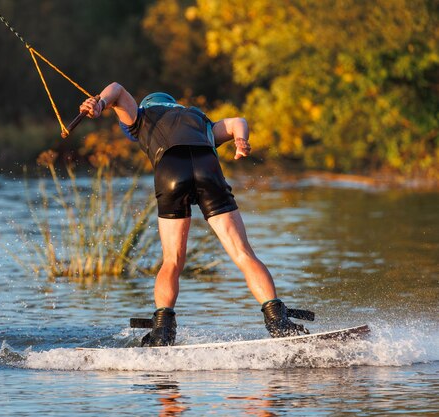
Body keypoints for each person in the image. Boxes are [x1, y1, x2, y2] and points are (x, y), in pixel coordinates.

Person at [79, 82, 311, 346]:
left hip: (170, 172)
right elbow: (237, 121)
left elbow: (117, 90)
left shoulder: (143, 116)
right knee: (243, 253)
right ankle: (278, 322)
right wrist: (240, 140)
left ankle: (162, 332)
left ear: (147, 105)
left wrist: (98, 103)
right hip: (208, 170)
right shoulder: (200, 119)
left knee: (172, 262)